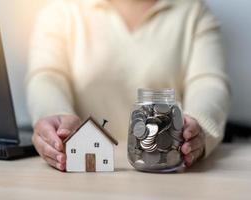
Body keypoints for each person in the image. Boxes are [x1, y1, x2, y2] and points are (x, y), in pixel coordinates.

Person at [26, 0, 230, 171]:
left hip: (166, 172)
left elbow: (209, 84)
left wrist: (198, 125)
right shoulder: (61, 11)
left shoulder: (194, 13)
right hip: (85, 176)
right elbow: (46, 77)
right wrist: (54, 115)